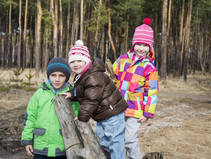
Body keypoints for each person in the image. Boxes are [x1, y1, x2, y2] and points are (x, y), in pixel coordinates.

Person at [62, 40, 128, 159]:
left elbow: (91, 99)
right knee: (102, 140)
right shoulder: (82, 75)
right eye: (72, 62)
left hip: (112, 112)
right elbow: (83, 89)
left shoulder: (94, 76)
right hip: (102, 113)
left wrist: (82, 117)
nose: (76, 64)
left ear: (86, 61)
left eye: (79, 61)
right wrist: (72, 94)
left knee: (115, 141)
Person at [112, 18, 159, 159]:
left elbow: (152, 92)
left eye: (145, 45)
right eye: (138, 44)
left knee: (130, 140)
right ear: (133, 44)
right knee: (117, 139)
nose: (141, 48)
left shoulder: (149, 67)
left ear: (150, 47)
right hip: (118, 106)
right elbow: (112, 76)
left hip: (135, 110)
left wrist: (147, 112)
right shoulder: (122, 59)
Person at [21, 57, 80, 159]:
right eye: (53, 75)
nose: (57, 79)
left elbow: (78, 119)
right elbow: (30, 118)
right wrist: (27, 141)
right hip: (40, 147)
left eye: (61, 76)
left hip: (63, 148)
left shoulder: (72, 96)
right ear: (48, 76)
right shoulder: (39, 95)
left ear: (66, 77)